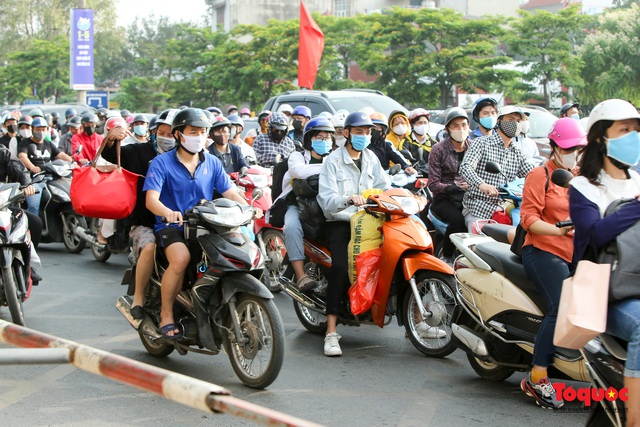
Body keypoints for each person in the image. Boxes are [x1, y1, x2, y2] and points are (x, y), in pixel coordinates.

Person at [143, 108, 259, 339]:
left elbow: (228, 191)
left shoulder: (213, 162)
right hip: (173, 226)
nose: (199, 136)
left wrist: (248, 207)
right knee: (181, 259)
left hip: (207, 224)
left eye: (202, 131)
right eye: (193, 131)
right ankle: (166, 314)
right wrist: (167, 212)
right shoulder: (160, 163)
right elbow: (151, 200)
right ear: (178, 135)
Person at [569, 99, 640, 425]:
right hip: (604, 296)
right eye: (624, 130)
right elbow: (594, 234)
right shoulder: (583, 187)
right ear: (601, 137)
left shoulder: (637, 180)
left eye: (636, 129)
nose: (633, 136)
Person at [518, 117, 587, 409]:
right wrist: (557, 229)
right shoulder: (540, 175)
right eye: (568, 147)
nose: (573, 153)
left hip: (576, 251)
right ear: (554, 146)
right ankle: (538, 374)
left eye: (577, 148)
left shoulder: (580, 176)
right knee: (560, 307)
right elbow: (529, 219)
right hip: (543, 249)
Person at [317, 111, 390, 357]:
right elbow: (327, 201)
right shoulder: (332, 161)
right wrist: (347, 199)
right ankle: (330, 332)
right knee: (340, 267)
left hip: (368, 221)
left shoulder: (371, 157)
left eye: (368, 132)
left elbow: (385, 186)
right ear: (346, 133)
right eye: (359, 131)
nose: (364, 136)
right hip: (341, 222)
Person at [102, 109, 178, 320]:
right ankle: (138, 298)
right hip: (144, 222)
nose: (167, 137)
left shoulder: (188, 157)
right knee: (149, 247)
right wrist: (110, 138)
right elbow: (110, 154)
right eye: (162, 132)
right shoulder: (140, 152)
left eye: (172, 133)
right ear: (153, 132)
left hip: (179, 223)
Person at [277, 117, 334, 292]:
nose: (324, 141)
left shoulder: (332, 158)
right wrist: (331, 168)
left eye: (327, 138)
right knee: (292, 227)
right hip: (297, 204)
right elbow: (299, 171)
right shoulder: (297, 156)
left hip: (324, 205)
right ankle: (301, 275)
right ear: (309, 139)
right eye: (319, 137)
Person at [459, 105, 535, 231]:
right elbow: (466, 167)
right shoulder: (482, 143)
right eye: (511, 120)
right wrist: (482, 184)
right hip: (479, 207)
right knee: (479, 245)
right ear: (499, 121)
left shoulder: (517, 152)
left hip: (507, 208)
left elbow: (532, 174)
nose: (515, 124)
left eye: (517, 121)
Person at [427, 107, 471, 265]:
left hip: (469, 197)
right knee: (458, 220)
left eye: (464, 125)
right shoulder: (438, 150)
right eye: (456, 126)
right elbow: (433, 184)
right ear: (448, 129)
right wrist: (453, 187)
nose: (461, 129)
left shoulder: (474, 148)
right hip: (443, 199)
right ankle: (447, 256)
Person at [17, 117, 73, 215]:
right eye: (38, 129)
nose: (41, 132)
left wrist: (72, 161)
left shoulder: (48, 144)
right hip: (33, 180)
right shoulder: (25, 143)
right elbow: (22, 156)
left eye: (43, 129)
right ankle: (32, 227)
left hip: (50, 178)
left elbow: (60, 155)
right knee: (34, 206)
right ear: (32, 129)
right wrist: (32, 167)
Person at [401, 108, 436, 174]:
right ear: (412, 125)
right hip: (412, 176)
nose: (423, 125)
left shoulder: (434, 143)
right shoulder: (405, 143)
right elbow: (404, 161)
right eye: (420, 123)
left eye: (425, 123)